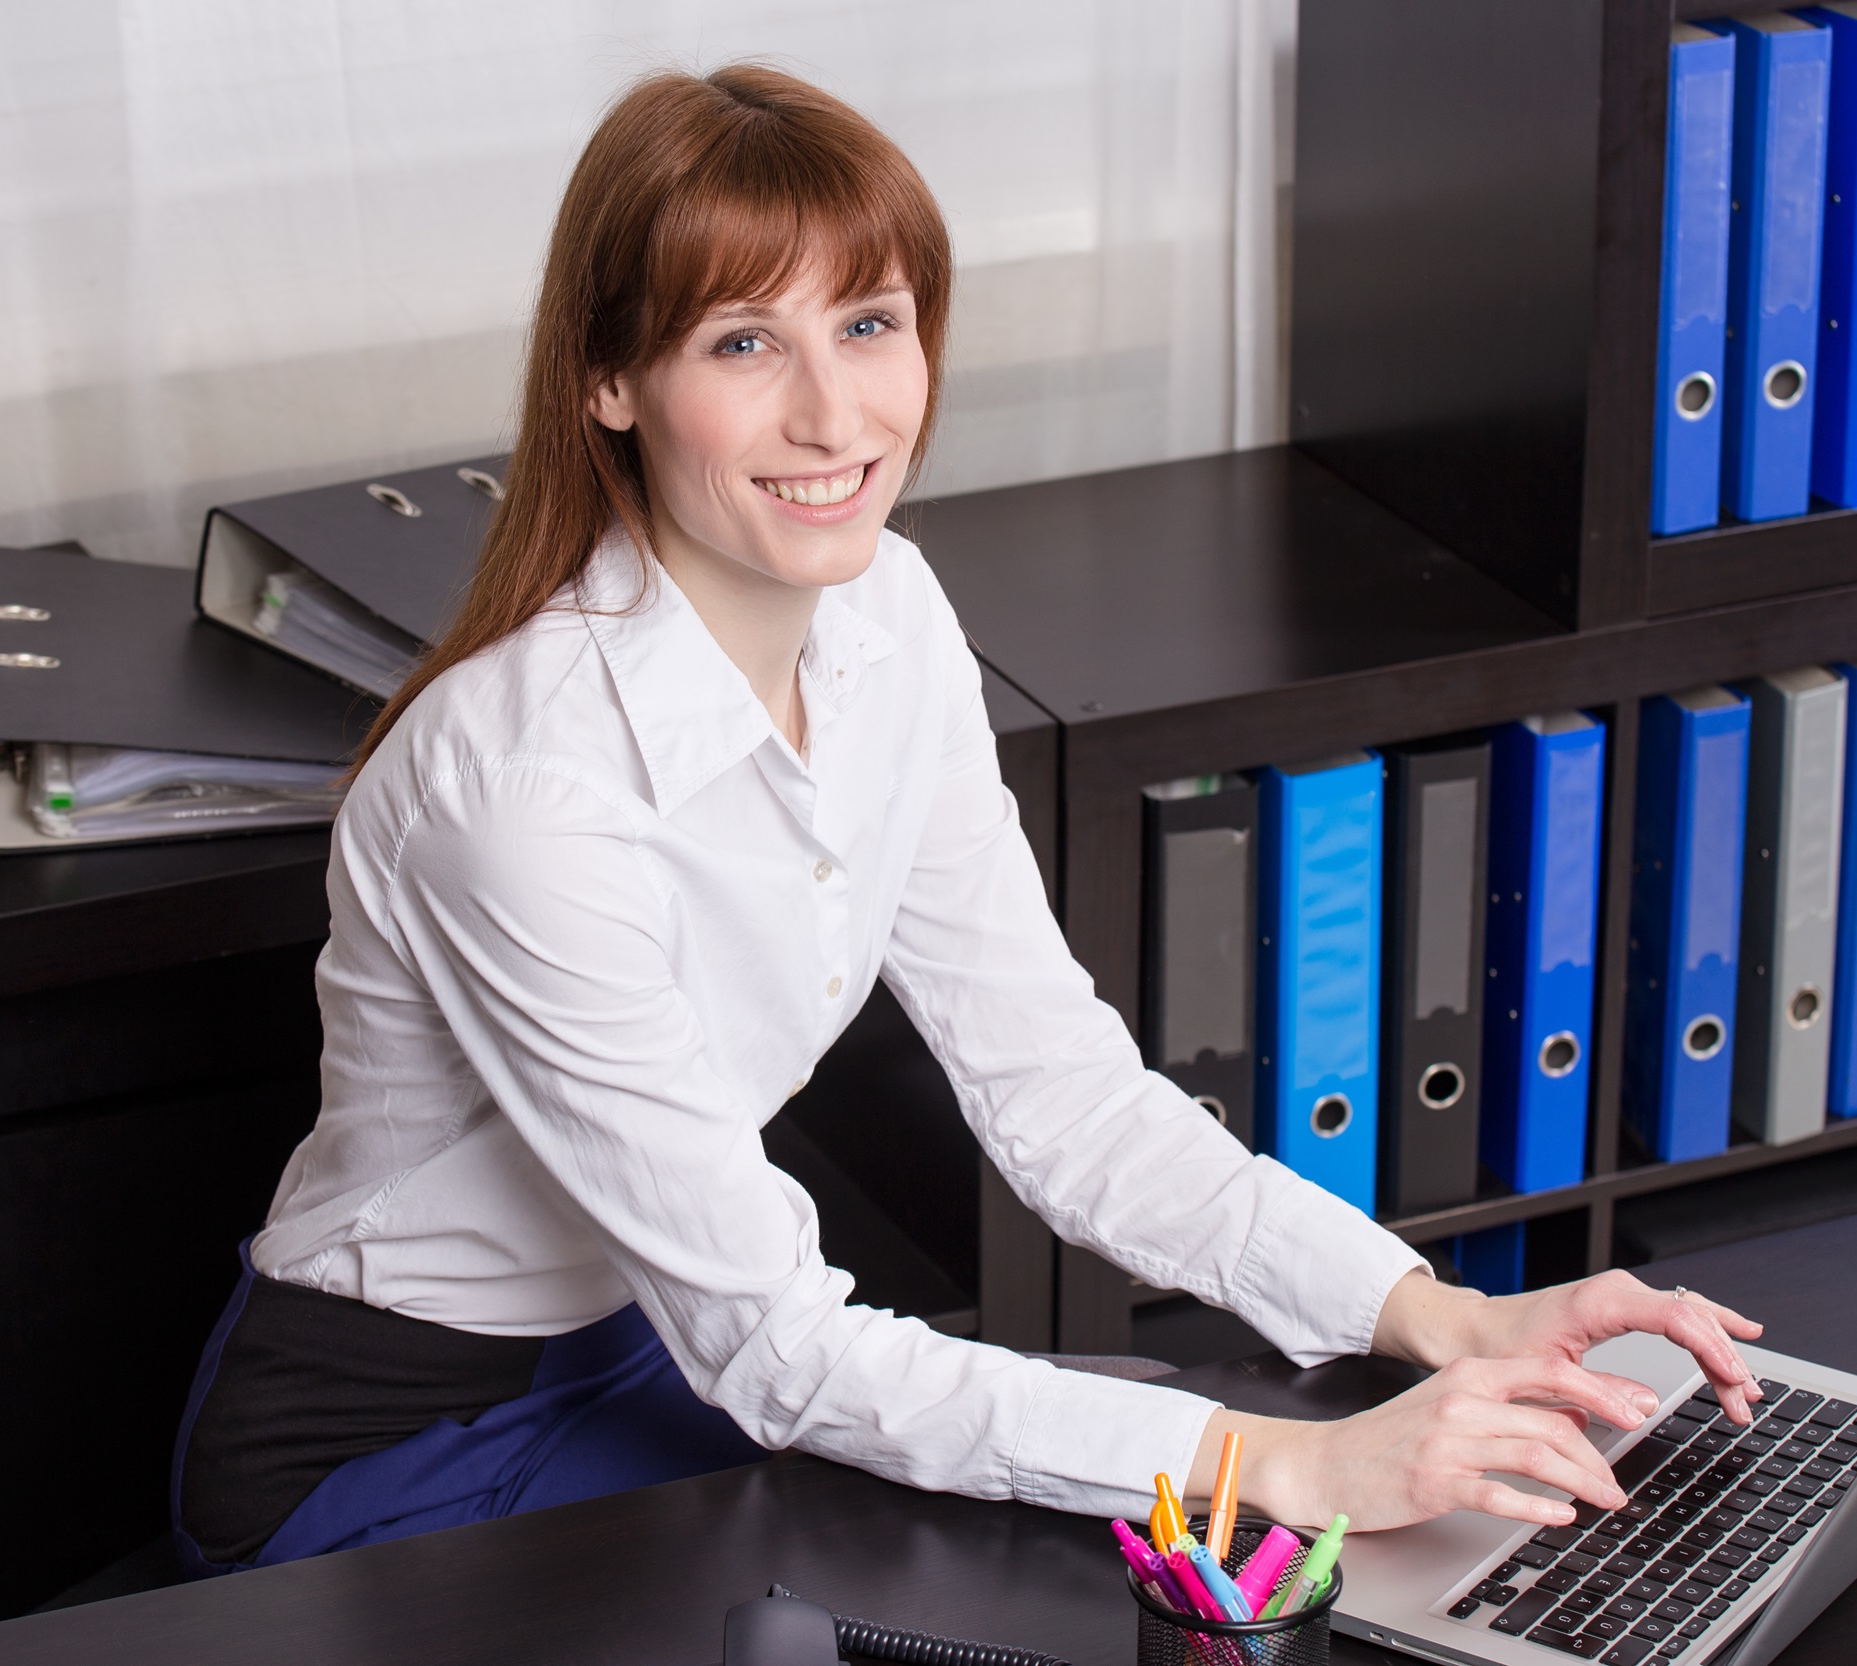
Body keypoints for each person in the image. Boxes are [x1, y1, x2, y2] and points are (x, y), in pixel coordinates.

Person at [171, 63, 1766, 1576]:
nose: (833, 414)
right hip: (395, 1449)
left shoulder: (890, 619)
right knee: (1124, 1542)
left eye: (869, 322)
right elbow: (780, 1349)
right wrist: (1291, 1463)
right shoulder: (518, 792)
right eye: (743, 342)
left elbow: (1063, 1099)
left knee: (1153, 1518)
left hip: (660, 1347)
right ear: (611, 379)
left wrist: (1441, 1316)